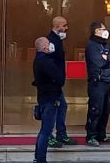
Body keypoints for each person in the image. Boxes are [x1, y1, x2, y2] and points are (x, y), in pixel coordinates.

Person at [84, 20, 110, 146]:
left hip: (106, 81)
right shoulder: (92, 45)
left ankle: (101, 134)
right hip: (97, 82)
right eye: (103, 29)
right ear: (97, 31)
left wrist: (107, 56)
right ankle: (91, 136)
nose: (106, 31)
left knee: (105, 109)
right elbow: (99, 62)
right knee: (96, 109)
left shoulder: (105, 45)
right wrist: (106, 58)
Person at [33, 36, 65, 163]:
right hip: (50, 98)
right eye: (48, 43)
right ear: (44, 47)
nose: (50, 45)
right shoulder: (46, 62)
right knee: (46, 131)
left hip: (43, 97)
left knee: (43, 130)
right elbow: (60, 78)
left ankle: (38, 157)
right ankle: (41, 159)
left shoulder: (38, 60)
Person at [46, 16, 73, 147]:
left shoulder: (57, 40)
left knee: (62, 106)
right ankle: (50, 136)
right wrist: (54, 78)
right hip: (51, 83)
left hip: (56, 82)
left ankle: (61, 134)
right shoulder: (51, 41)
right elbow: (49, 62)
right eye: (64, 25)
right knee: (53, 108)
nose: (66, 28)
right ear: (57, 26)